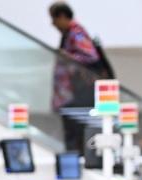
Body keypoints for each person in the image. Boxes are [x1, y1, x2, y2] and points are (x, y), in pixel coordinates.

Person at [49, 2, 111, 151]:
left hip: (76, 96)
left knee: (75, 137)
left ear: (62, 16)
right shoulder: (68, 35)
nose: (53, 24)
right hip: (69, 97)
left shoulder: (76, 32)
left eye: (54, 19)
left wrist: (68, 56)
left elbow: (91, 56)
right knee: (72, 136)